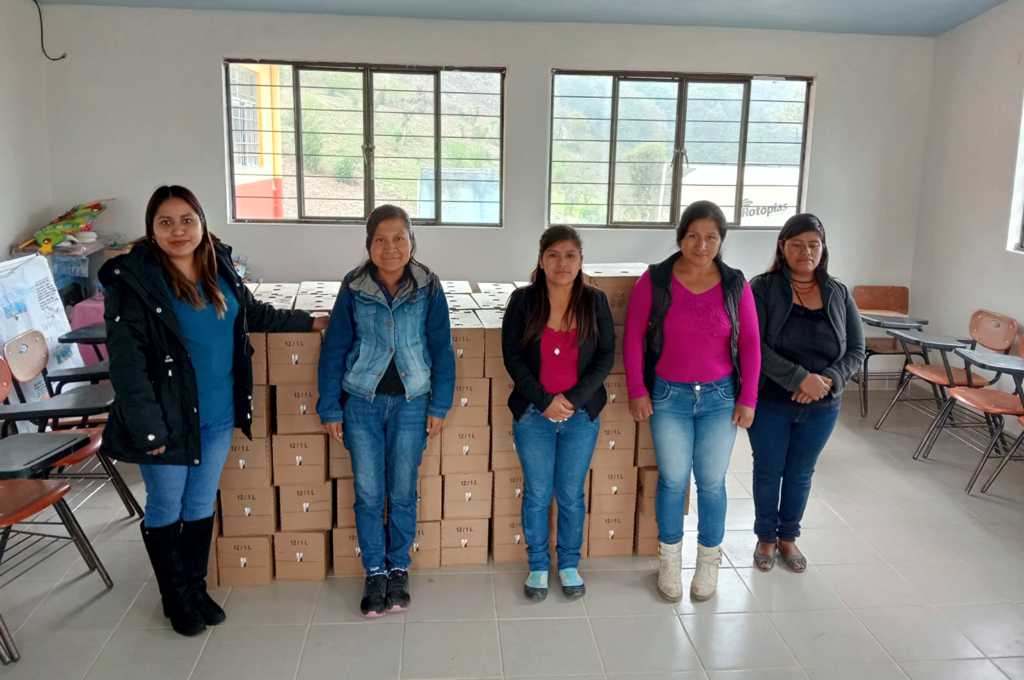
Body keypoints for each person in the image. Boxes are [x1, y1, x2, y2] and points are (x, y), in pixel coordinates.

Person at [99, 185, 326, 637]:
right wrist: (148, 430)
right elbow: (127, 367)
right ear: (151, 229)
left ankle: (195, 588)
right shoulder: (135, 283)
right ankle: (174, 597)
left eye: (187, 220)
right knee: (167, 504)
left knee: (200, 502)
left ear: (202, 223)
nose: (178, 231)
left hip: (219, 413)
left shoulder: (217, 265)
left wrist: (311, 322)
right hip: (167, 419)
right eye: (166, 222)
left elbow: (252, 314)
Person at [317, 204, 455, 617]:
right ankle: (374, 570)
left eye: (399, 238)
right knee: (368, 492)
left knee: (402, 490)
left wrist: (440, 404)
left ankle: (398, 568)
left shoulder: (428, 286)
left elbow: (441, 348)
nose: (390, 247)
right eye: (380, 239)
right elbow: (335, 348)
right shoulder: (354, 286)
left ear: (412, 242)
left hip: (413, 402)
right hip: (362, 402)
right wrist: (330, 407)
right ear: (369, 244)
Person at [624, 200, 761, 602]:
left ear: (721, 241)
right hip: (669, 396)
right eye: (693, 236)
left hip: (720, 397)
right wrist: (637, 389)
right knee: (672, 480)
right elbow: (632, 338)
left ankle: (708, 562)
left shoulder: (735, 284)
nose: (702, 245)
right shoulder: (655, 280)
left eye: (711, 238)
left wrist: (748, 397)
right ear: (680, 237)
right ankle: (669, 560)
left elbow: (751, 344)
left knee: (712, 483)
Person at [501, 226, 614, 601]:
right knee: (537, 493)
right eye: (553, 255)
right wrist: (544, 400)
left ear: (581, 260)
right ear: (541, 259)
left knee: (569, 494)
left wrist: (574, 400)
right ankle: (537, 564)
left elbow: (605, 358)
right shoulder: (523, 301)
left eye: (570, 255)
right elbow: (512, 357)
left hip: (581, 417)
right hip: (534, 415)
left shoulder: (595, 301)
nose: (562, 263)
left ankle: (568, 564)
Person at [748, 213, 864, 573]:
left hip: (822, 404)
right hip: (771, 400)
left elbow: (856, 350)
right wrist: (798, 379)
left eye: (814, 244)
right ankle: (766, 537)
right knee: (768, 471)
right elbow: (752, 345)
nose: (806, 252)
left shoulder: (838, 292)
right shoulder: (762, 288)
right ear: (782, 247)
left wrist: (827, 380)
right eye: (797, 244)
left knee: (800, 473)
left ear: (823, 248)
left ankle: (788, 537)